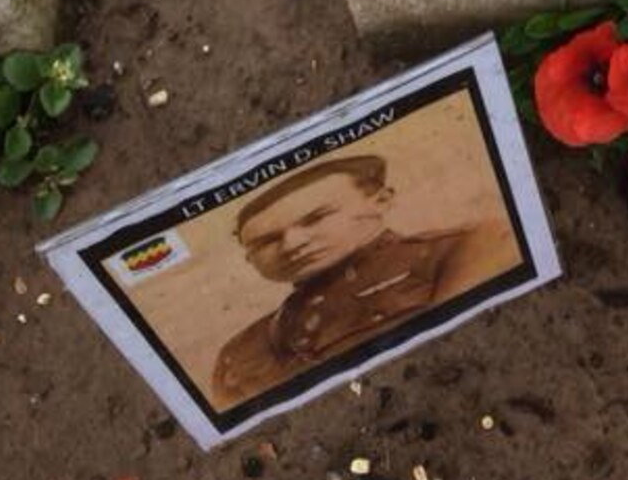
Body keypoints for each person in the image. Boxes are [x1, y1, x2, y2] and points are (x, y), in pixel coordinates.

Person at [209, 151, 513, 409]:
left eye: (316, 218)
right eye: (267, 241)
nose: (292, 244)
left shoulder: (471, 246)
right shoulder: (239, 354)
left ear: (381, 201)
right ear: (250, 260)